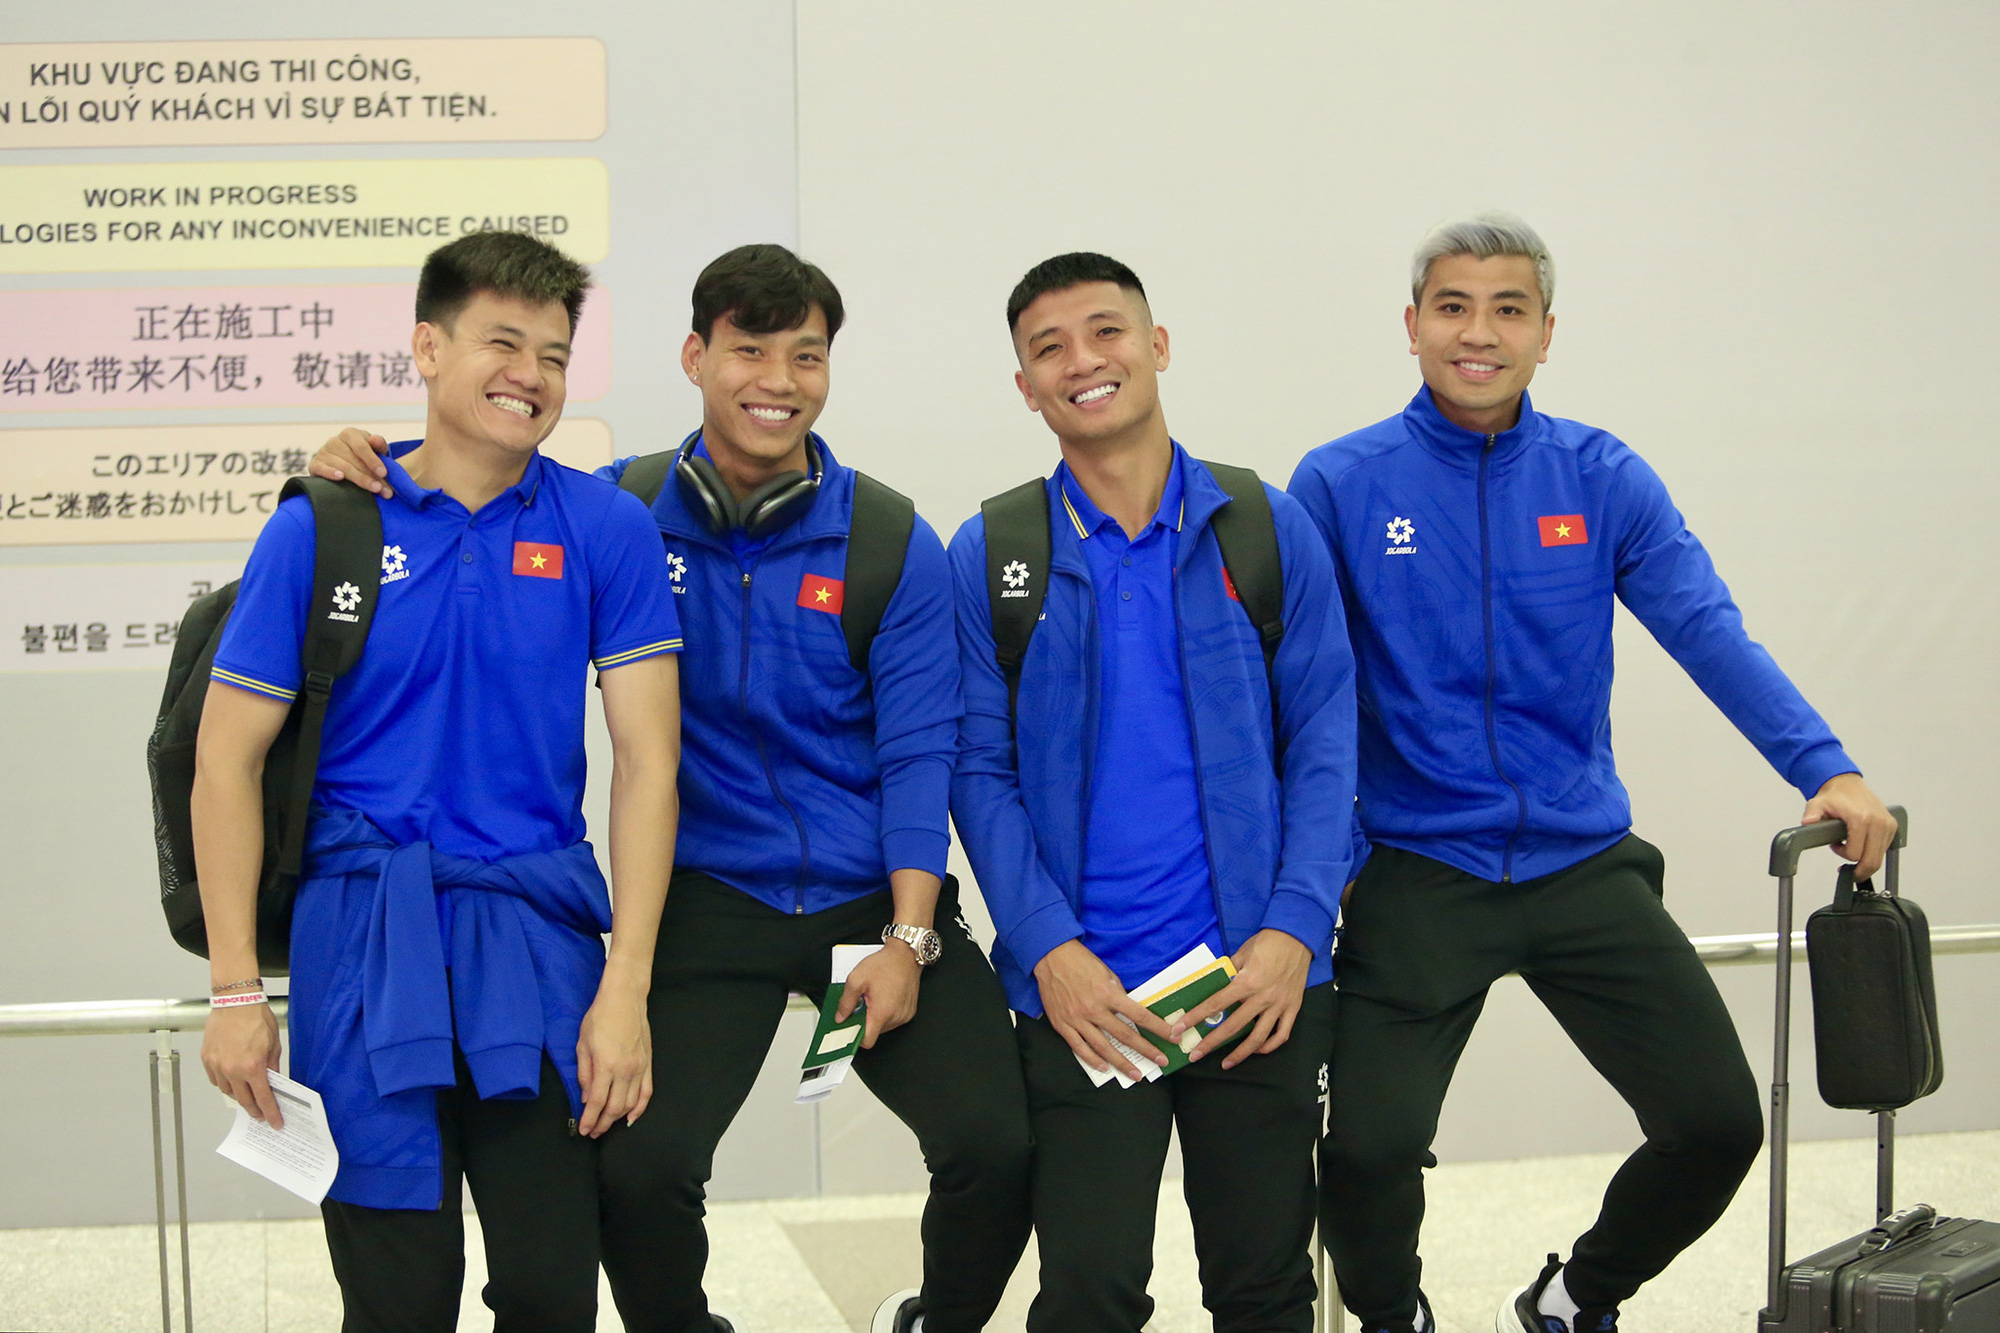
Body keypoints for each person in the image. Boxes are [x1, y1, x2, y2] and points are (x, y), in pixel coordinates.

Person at [312, 243, 1033, 1333]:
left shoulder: (890, 539)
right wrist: (354, 462)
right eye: (750, 351)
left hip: (870, 894)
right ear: (696, 357)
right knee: (633, 1165)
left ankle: (937, 1319)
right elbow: (480, 488)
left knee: (998, 1143)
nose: (778, 380)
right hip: (708, 893)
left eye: (806, 356)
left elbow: (919, 752)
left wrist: (908, 933)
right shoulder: (620, 512)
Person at [1287, 212, 1900, 1333]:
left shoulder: (1601, 476)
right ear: (1412, 326)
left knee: (1717, 1123)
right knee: (1366, 1152)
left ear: (1546, 332)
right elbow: (1306, 694)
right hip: (1419, 866)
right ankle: (1389, 1316)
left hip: (1579, 861)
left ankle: (1569, 1300)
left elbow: (1707, 630)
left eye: (1507, 310)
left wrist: (1827, 766)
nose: (1479, 333)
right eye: (1453, 307)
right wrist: (1327, 865)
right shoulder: (1338, 483)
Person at [196, 230, 682, 1332]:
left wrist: (627, 987)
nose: (530, 375)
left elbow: (650, 763)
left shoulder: (604, 526)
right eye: (501, 343)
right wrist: (235, 992)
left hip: (538, 948)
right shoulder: (324, 525)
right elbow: (225, 761)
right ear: (427, 347)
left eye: (553, 355)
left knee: (551, 1292)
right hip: (364, 946)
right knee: (396, 1297)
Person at [948, 252, 1359, 1333]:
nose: (1083, 360)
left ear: (1157, 346)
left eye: (1107, 331)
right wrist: (1049, 949)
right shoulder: (993, 552)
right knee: (1087, 1295)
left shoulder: (1264, 527)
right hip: (1086, 1003)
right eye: (1049, 348)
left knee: (1265, 1292)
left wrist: (1293, 931)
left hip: (1255, 985)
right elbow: (977, 771)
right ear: (1026, 387)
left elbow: (1327, 742)